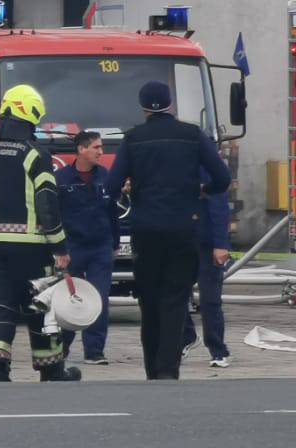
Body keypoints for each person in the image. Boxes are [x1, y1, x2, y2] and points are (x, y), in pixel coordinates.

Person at [106, 80, 231, 381]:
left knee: (149, 300)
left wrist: (128, 188)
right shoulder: (192, 135)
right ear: (170, 104)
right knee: (176, 298)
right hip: (183, 228)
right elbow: (222, 178)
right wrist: (203, 189)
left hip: (146, 231)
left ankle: (152, 368)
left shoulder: (133, 139)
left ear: (143, 106)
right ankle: (168, 370)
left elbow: (110, 186)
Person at [0, 83, 80, 383]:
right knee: (40, 308)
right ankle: (51, 369)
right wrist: (60, 247)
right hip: (32, 250)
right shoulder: (36, 155)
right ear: (29, 115)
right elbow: (47, 204)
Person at [54, 130, 119, 365]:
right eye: (96, 148)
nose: (101, 152)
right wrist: (59, 249)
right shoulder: (61, 179)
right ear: (81, 149)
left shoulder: (105, 177)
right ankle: (61, 347)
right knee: (69, 300)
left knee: (98, 299)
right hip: (72, 248)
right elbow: (54, 216)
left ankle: (94, 351)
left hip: (100, 247)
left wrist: (115, 242)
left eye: (101, 148)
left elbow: (113, 213)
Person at [180, 165, 233, 368]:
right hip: (181, 241)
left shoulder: (205, 164)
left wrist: (221, 244)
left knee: (209, 299)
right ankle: (186, 337)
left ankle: (218, 349)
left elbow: (218, 206)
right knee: (173, 295)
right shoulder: (171, 161)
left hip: (207, 243)